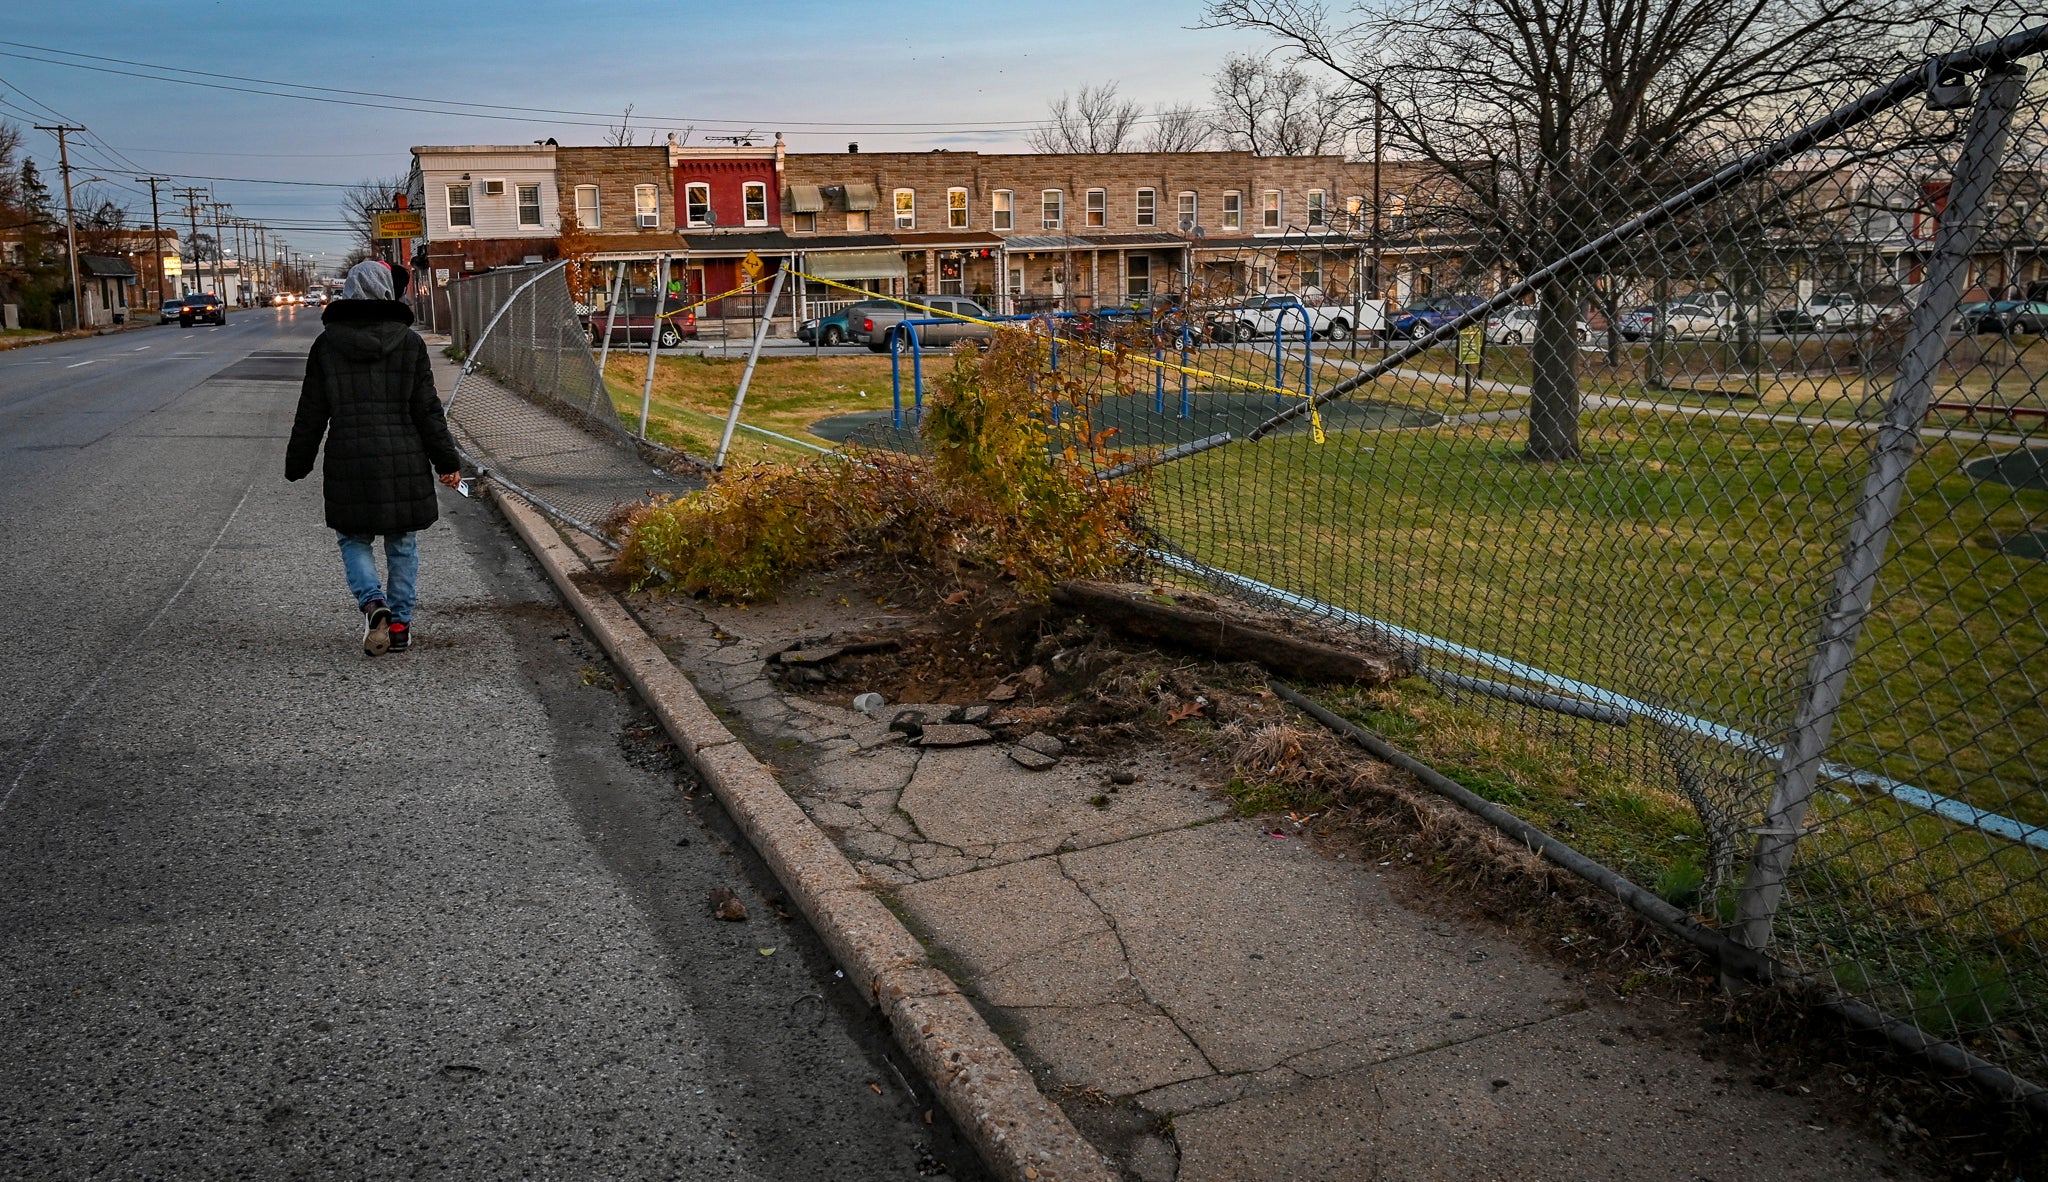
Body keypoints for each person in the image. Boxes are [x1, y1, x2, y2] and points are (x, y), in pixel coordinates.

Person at [286, 260, 462, 655]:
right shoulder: (409, 342)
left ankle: (372, 603)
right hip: (403, 454)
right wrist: (446, 462)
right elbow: (427, 410)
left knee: (354, 537)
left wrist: (298, 461)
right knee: (401, 543)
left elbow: (311, 410)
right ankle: (399, 626)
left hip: (349, 455)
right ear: (387, 292)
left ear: (348, 293)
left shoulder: (327, 344)